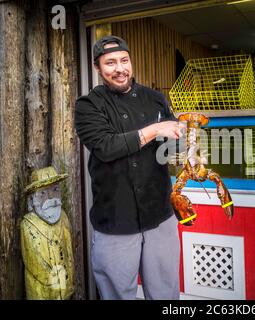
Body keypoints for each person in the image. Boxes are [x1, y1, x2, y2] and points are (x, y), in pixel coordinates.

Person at [74, 35, 184, 300]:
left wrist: (184, 143)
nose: (120, 68)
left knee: (165, 292)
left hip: (160, 214)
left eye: (124, 60)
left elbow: (168, 149)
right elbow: (106, 146)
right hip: (115, 218)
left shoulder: (155, 99)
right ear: (98, 68)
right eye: (110, 63)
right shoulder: (88, 105)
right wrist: (155, 129)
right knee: (117, 294)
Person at [20, 166, 75, 300]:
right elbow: (35, 262)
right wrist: (55, 279)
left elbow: (69, 250)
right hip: (42, 291)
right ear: (32, 200)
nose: (51, 198)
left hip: (66, 288)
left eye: (55, 190)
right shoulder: (28, 225)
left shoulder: (63, 217)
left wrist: (69, 276)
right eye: (43, 193)